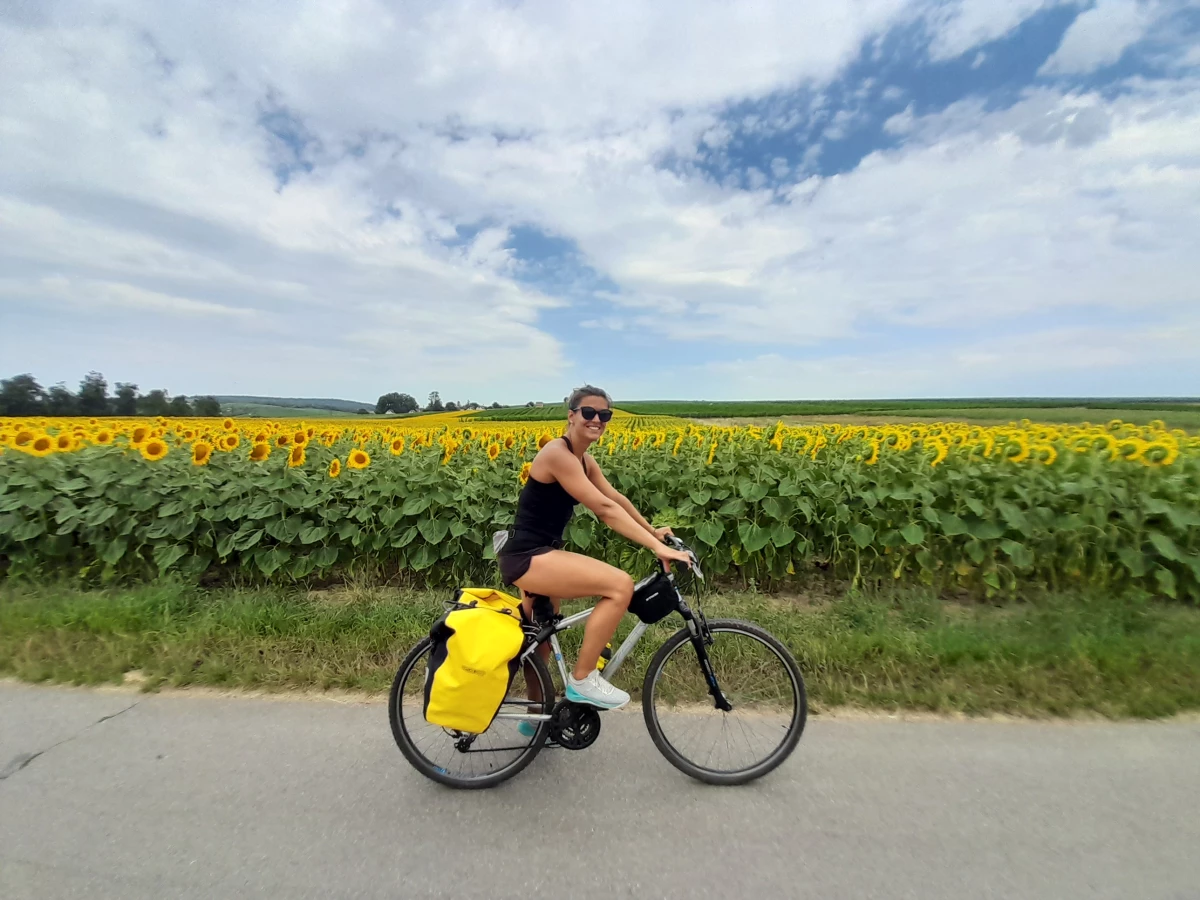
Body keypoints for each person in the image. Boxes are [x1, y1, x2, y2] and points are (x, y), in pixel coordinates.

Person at [496, 385, 692, 716]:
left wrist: (652, 530)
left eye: (604, 415)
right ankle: (583, 678)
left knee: (538, 643)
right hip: (528, 556)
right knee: (620, 585)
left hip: (538, 554)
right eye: (588, 412)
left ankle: (534, 720)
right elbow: (604, 509)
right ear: (571, 416)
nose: (597, 419)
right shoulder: (557, 454)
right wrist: (657, 547)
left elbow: (616, 499)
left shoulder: (584, 461)